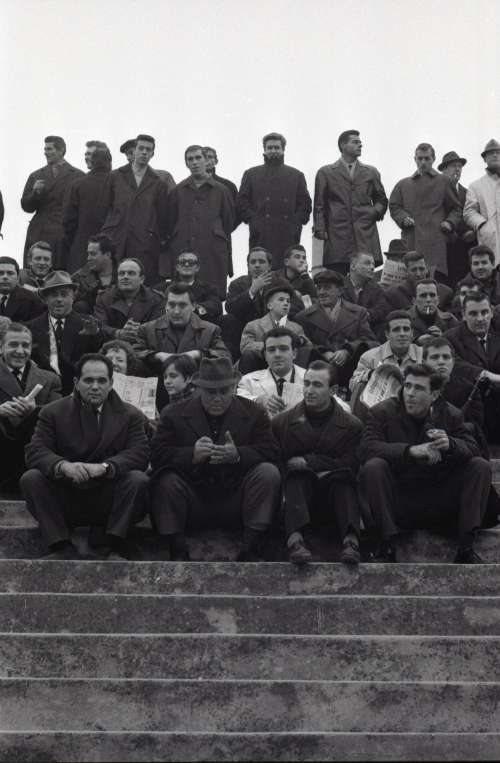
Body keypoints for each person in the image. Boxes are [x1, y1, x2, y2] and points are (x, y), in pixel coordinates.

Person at [150, 356, 281, 561]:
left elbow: (272, 451)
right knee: (166, 480)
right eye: (211, 392)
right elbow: (156, 455)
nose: (218, 398)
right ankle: (177, 548)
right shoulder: (172, 413)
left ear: (234, 388)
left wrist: (238, 455)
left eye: (224, 391)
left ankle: (252, 546)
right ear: (198, 389)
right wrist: (191, 455)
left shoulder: (254, 412)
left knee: (268, 473)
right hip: (193, 499)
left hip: (237, 499)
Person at [21, 353, 150, 560]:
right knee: (31, 478)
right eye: (88, 380)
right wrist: (63, 466)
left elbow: (140, 453)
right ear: (76, 382)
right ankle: (60, 545)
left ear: (111, 383)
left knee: (138, 480)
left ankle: (113, 543)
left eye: (102, 381)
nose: (95, 387)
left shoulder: (131, 414)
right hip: (68, 494)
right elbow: (36, 450)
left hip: (109, 497)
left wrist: (106, 467)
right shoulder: (52, 412)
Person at [358, 363, 491, 564]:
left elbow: (474, 449)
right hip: (400, 500)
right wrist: (410, 450)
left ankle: (466, 547)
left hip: (439, 500)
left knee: (479, 466)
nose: (410, 393)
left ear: (434, 395)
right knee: (373, 467)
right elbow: (366, 448)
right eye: (408, 386)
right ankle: (386, 546)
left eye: (419, 388)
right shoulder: (382, 412)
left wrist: (451, 444)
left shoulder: (451, 414)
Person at [273, 360, 363, 565]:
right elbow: (278, 462)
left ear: (333, 390)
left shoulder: (352, 426)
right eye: (306, 383)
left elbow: (352, 462)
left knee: (343, 479)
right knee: (296, 477)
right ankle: (295, 541)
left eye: (317, 385)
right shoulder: (281, 423)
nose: (309, 390)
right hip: (298, 499)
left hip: (335, 499)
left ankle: (351, 541)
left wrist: (310, 462)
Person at [134, 282, 230, 412]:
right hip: (158, 392)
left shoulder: (210, 330)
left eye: (182, 305)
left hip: (196, 394)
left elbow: (225, 357)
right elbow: (133, 354)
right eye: (172, 305)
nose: (176, 311)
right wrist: (156, 356)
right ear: (165, 305)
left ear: (193, 306)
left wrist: (199, 354)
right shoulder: (147, 329)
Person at [163, 145, 235, 296]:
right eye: (190, 159)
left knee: (212, 295)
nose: (195, 162)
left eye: (198, 158)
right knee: (182, 294)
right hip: (182, 251)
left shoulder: (222, 191)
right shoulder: (177, 191)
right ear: (186, 164)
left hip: (212, 252)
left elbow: (228, 223)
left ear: (206, 160)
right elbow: (169, 222)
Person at [313, 130, 388, 274]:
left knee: (365, 274)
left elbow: (382, 199)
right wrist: (320, 229)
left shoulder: (371, 172)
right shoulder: (326, 172)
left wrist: (374, 212)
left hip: (365, 234)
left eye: (360, 142)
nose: (360, 145)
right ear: (343, 145)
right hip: (337, 235)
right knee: (339, 277)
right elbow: (319, 205)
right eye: (355, 142)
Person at [101, 134, 169, 285]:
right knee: (114, 282)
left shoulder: (159, 183)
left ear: (152, 154)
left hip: (144, 242)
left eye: (148, 150)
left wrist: (152, 236)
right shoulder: (115, 176)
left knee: (140, 283)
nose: (144, 152)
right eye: (141, 148)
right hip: (116, 239)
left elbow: (162, 218)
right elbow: (104, 208)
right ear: (135, 150)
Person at [0, 323, 61, 492]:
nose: (20, 351)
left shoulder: (50, 379)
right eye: (13, 344)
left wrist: (36, 411)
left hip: (33, 453)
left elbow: (60, 416)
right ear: (1, 347)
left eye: (25, 345)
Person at [389, 142, 462, 281]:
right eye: (420, 158)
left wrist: (450, 222)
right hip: (412, 241)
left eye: (427, 158)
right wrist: (403, 218)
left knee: (435, 282)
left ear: (433, 159)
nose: (423, 162)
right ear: (414, 159)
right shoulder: (403, 184)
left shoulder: (444, 181)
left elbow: (456, 208)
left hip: (436, 242)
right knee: (412, 280)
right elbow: (394, 206)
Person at [237, 132, 311, 269]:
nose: (273, 151)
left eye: (277, 147)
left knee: (287, 272)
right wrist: (254, 220)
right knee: (261, 270)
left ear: (283, 150)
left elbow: (305, 203)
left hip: (287, 233)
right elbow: (242, 201)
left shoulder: (296, 175)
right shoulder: (251, 174)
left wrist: (295, 222)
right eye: (269, 148)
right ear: (264, 150)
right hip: (261, 233)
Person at [294, 269, 376, 388]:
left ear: (340, 291)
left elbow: (371, 341)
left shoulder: (359, 313)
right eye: (319, 288)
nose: (321, 292)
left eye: (327, 288)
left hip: (350, 377)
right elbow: (301, 347)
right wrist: (322, 352)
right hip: (317, 379)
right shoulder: (303, 317)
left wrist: (347, 351)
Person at [28, 270, 103, 395]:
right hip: (42, 394)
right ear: (45, 299)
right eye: (53, 295)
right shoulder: (32, 327)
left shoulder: (89, 324)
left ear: (73, 297)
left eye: (64, 294)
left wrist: (95, 334)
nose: (59, 299)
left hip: (79, 393)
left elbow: (98, 354)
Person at [222, 247, 304, 360]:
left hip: (274, 327)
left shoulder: (280, 282)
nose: (257, 265)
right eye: (253, 262)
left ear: (269, 266)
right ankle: (233, 360)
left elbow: (298, 306)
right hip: (246, 330)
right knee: (228, 320)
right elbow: (229, 307)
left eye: (261, 261)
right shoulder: (238, 284)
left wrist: (276, 311)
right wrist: (252, 291)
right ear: (248, 266)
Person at [20, 135, 84, 267]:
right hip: (38, 232)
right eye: (45, 149)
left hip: (64, 232)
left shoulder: (78, 176)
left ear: (61, 150)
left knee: (60, 269)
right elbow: (26, 206)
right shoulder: (36, 175)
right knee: (34, 269)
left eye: (49, 149)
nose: (45, 152)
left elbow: (83, 208)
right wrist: (35, 194)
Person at [445, 293, 500, 441]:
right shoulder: (451, 338)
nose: (480, 318)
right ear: (463, 315)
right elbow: (456, 365)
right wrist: (489, 375)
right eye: (473, 313)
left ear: (492, 312)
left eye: (485, 312)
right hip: (471, 409)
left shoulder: (498, 331)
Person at [61, 145, 113, 274]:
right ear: (109, 162)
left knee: (81, 282)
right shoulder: (118, 184)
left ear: (92, 162)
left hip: (82, 248)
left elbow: (68, 221)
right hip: (110, 251)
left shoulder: (77, 184)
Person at [239, 283, 311, 374]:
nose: (286, 303)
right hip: (261, 368)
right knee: (249, 355)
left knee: (304, 351)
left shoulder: (296, 328)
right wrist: (271, 346)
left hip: (288, 368)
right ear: (270, 306)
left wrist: (300, 340)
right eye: (281, 300)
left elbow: (308, 345)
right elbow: (245, 346)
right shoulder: (253, 325)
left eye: (288, 301)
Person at [237, 328, 306, 417]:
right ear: (265, 355)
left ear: (294, 353)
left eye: (283, 349)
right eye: (271, 350)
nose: (277, 355)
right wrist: (258, 400)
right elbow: (237, 401)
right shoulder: (247, 381)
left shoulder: (309, 379)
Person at [350, 310, 422, 392]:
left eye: (406, 329)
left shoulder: (423, 354)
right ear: (387, 334)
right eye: (396, 330)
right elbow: (353, 386)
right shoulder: (370, 357)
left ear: (412, 333)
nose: (402, 334)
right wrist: (371, 374)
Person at [93, 257, 163, 341]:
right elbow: (99, 326)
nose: (125, 277)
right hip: (112, 344)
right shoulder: (105, 298)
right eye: (121, 273)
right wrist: (118, 333)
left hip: (143, 344)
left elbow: (157, 328)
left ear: (141, 279)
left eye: (131, 273)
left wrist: (138, 331)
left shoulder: (155, 299)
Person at [438, 150, 476, 286]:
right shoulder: (435, 191)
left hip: (463, 247)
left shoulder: (468, 193)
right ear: (443, 170)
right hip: (441, 246)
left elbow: (472, 214)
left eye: (460, 166)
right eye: (453, 166)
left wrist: (471, 231)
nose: (457, 169)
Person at [156, 251, 223, 325]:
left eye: (191, 262)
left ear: (197, 268)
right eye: (182, 262)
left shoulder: (209, 289)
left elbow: (215, 306)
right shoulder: (162, 288)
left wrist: (193, 308)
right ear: (177, 267)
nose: (186, 264)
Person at [464, 139, 500, 265]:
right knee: (491, 269)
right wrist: (483, 225)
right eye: (490, 153)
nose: (495, 155)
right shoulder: (476, 186)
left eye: (498, 152)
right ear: (485, 159)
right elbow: (469, 212)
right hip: (490, 241)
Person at [384, 251, 453, 312]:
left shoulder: (443, 292)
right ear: (406, 272)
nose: (418, 274)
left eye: (421, 269)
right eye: (414, 270)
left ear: (427, 269)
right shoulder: (394, 294)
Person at [342, 252, 390, 338]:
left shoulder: (377, 289)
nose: (372, 267)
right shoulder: (339, 286)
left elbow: (381, 311)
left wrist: (363, 314)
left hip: (369, 335)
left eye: (373, 264)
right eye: (367, 263)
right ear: (353, 266)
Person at [72, 234, 117, 314]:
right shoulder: (80, 277)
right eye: (88, 254)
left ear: (107, 255)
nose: (88, 258)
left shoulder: (123, 274)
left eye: (93, 254)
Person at [408, 278, 458, 344]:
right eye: (423, 296)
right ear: (414, 301)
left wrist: (443, 339)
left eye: (432, 295)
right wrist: (416, 342)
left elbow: (459, 346)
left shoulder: (449, 320)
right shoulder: (405, 319)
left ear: (438, 300)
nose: (428, 300)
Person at [0, 256, 45, 322]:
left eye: (10, 273)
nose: (5, 277)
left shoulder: (32, 300)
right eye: (0, 273)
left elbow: (37, 326)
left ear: (18, 277)